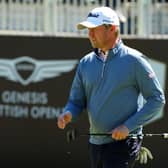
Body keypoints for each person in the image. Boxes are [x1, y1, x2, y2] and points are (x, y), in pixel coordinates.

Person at [57, 6, 165, 168]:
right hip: (95, 143)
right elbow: (76, 101)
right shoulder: (86, 63)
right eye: (88, 30)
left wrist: (128, 126)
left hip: (124, 143)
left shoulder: (135, 60)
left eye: (94, 29)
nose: (90, 34)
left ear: (112, 29)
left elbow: (157, 99)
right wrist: (68, 113)